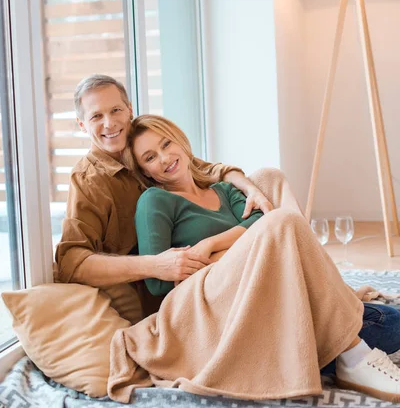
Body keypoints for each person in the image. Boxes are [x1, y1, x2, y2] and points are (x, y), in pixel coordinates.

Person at [114, 113, 400, 403]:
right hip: (208, 304)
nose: (164, 158)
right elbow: (157, 284)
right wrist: (229, 258)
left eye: (166, 144)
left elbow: (259, 222)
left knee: (390, 323)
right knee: (377, 322)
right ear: (145, 171)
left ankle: (294, 348)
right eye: (150, 157)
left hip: (257, 293)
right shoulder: (155, 200)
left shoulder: (224, 190)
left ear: (181, 142)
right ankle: (353, 357)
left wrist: (210, 245)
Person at [55, 74, 276, 321]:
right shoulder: (89, 180)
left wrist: (251, 189)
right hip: (168, 293)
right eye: (96, 116)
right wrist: (154, 265)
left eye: (116, 110)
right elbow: (71, 262)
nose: (109, 123)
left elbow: (206, 170)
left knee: (271, 181)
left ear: (129, 110)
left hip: (212, 268)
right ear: (82, 125)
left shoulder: (145, 143)